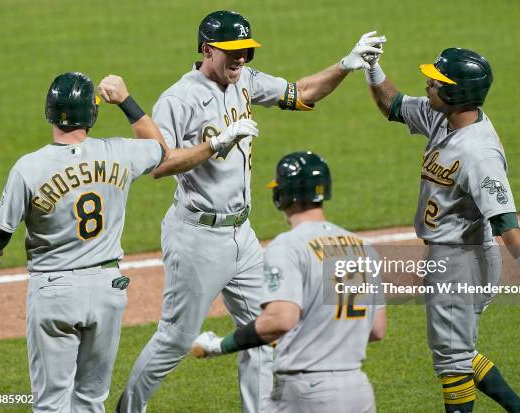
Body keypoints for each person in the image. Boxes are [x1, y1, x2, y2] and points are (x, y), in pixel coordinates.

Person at [115, 10, 386, 413]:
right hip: (197, 237)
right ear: (207, 50)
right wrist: (215, 146)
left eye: (246, 51)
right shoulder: (180, 98)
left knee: (263, 335)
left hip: (242, 236)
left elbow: (303, 92)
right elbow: (159, 163)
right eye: (232, 52)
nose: (241, 59)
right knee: (175, 338)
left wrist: (346, 65)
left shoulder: (246, 82)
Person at [362, 47, 520, 412]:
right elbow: (393, 105)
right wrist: (373, 68)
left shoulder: (479, 153)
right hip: (450, 255)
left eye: (437, 82)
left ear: (457, 94)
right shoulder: (444, 118)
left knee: (452, 361)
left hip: (462, 260)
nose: (428, 83)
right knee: (458, 349)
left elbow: (504, 220)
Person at [0, 72, 169, 412]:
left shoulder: (29, 167)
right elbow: (161, 149)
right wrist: (125, 101)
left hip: (54, 292)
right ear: (92, 113)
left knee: (52, 403)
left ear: (49, 112)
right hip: (108, 289)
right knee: (91, 398)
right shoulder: (120, 154)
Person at [191, 151, 387, 413]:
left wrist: (218, 345)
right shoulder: (363, 247)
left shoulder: (288, 246)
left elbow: (280, 320)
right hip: (358, 390)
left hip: (307, 393)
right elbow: (376, 329)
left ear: (282, 195)